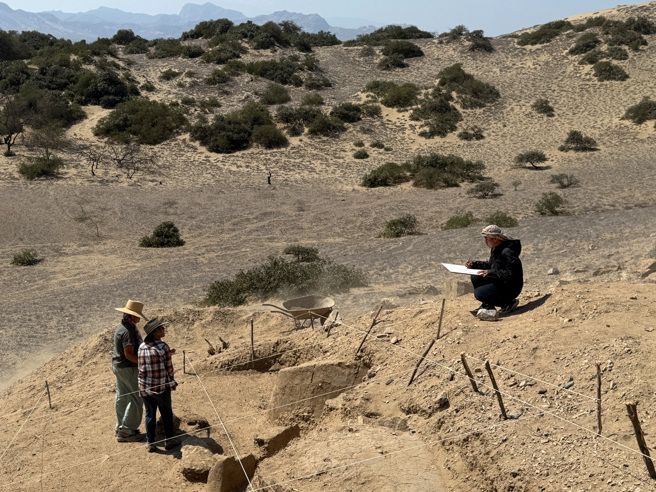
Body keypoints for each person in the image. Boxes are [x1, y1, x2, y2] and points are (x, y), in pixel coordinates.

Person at [138, 317, 179, 452]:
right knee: (166, 412)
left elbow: (147, 363)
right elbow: (169, 369)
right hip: (161, 387)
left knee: (150, 414)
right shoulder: (163, 346)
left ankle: (151, 443)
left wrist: (168, 354)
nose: (164, 329)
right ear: (155, 332)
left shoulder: (142, 347)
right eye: (161, 328)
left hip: (145, 387)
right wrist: (172, 383)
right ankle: (169, 440)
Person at [465, 225, 523, 319]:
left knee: (479, 293)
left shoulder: (507, 252)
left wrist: (492, 272)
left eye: (487, 239)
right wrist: (474, 265)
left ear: (495, 239)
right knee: (476, 277)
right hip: (501, 281)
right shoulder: (496, 249)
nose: (485, 242)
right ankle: (488, 305)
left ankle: (507, 303)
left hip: (511, 287)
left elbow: (512, 274)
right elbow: (492, 265)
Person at [112, 300, 147, 442]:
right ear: (132, 316)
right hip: (128, 368)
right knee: (137, 398)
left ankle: (120, 426)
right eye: (137, 315)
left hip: (118, 366)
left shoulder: (121, 327)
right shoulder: (128, 332)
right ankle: (126, 431)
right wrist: (146, 362)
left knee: (122, 396)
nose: (139, 318)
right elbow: (129, 355)